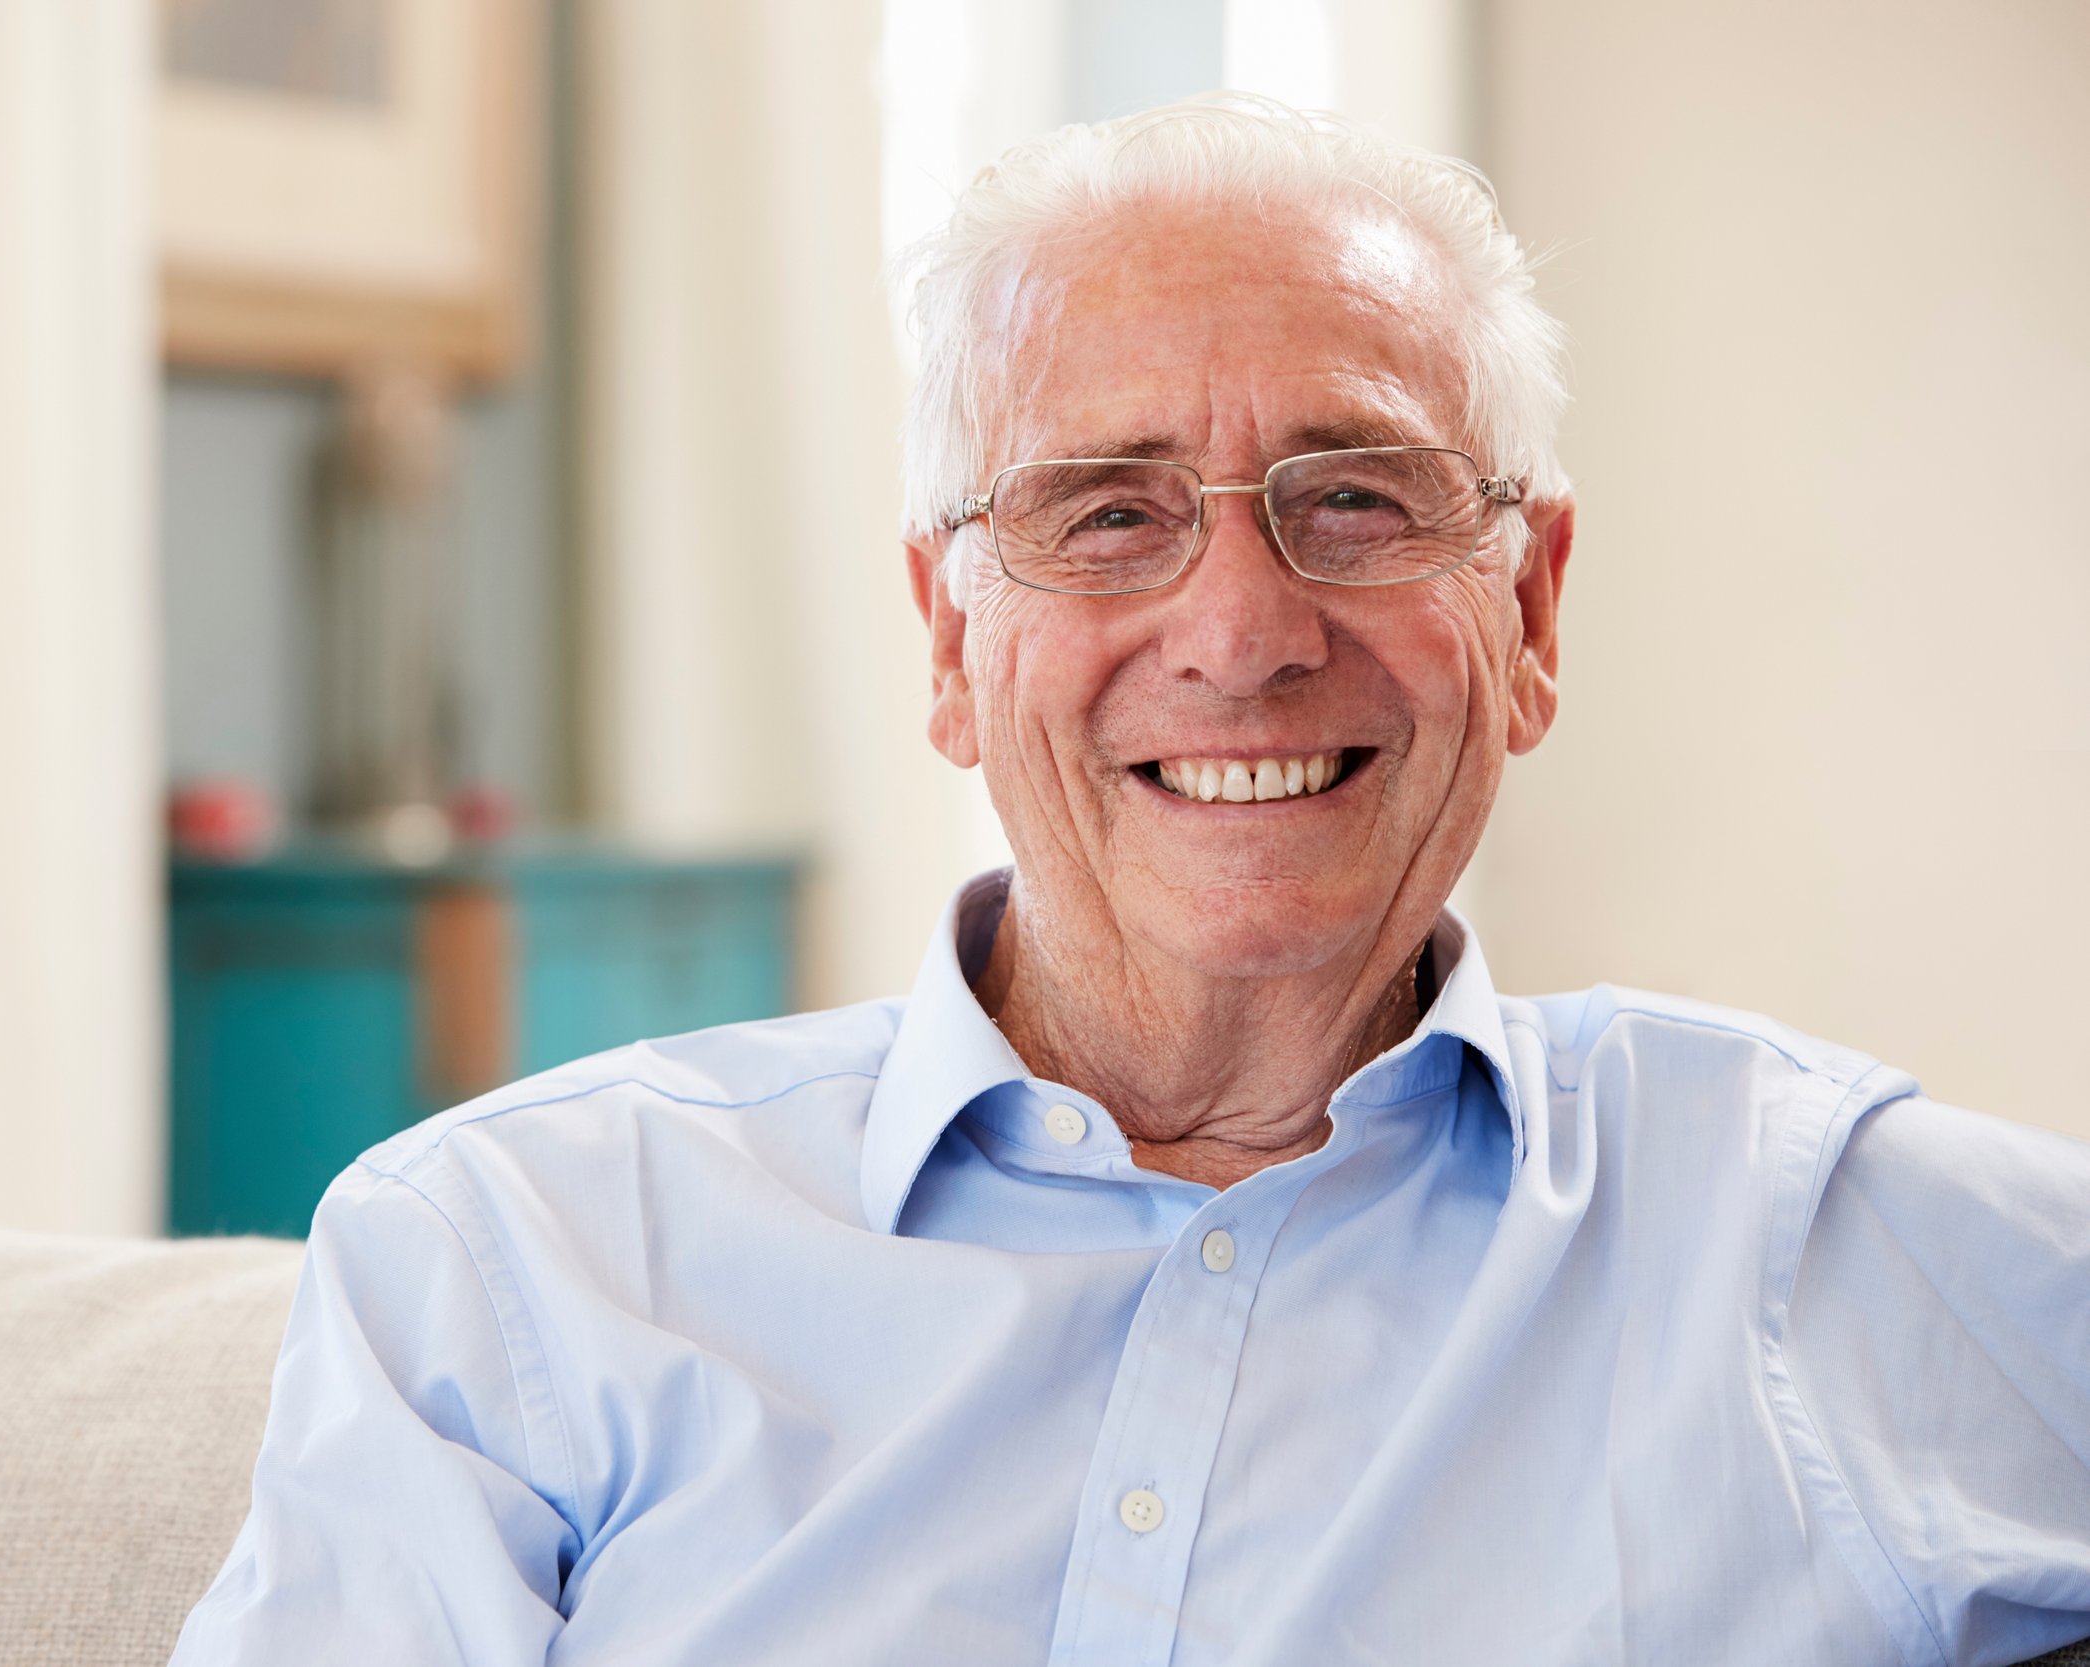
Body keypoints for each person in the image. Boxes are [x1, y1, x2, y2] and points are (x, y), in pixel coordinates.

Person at [169, 95, 2090, 1666]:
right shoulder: (514, 1261)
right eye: (1108, 514)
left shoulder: (1814, 1236)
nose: (1243, 630)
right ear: (948, 639)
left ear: (1529, 604)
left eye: (1358, 496)